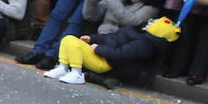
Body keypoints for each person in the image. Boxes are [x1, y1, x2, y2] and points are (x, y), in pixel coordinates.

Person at [43, 16, 180, 85]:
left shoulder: (143, 44)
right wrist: (92, 38)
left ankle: (76, 72)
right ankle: (63, 67)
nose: (149, 22)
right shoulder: (138, 35)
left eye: (153, 23)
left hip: (105, 62)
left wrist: (98, 49)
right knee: (68, 39)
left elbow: (122, 55)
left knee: (73, 43)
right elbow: (111, 38)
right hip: (104, 56)